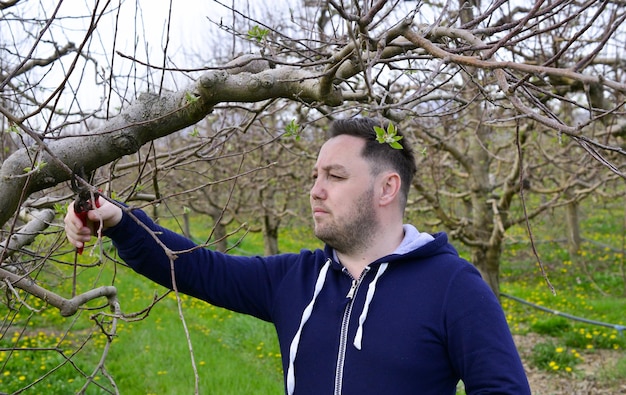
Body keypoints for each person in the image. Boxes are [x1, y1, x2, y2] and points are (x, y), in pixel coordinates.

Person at [65, 117, 531, 395]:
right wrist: (117, 220)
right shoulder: (298, 279)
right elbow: (195, 267)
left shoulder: (453, 287)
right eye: (314, 175)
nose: (315, 190)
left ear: (387, 187)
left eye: (335, 175)